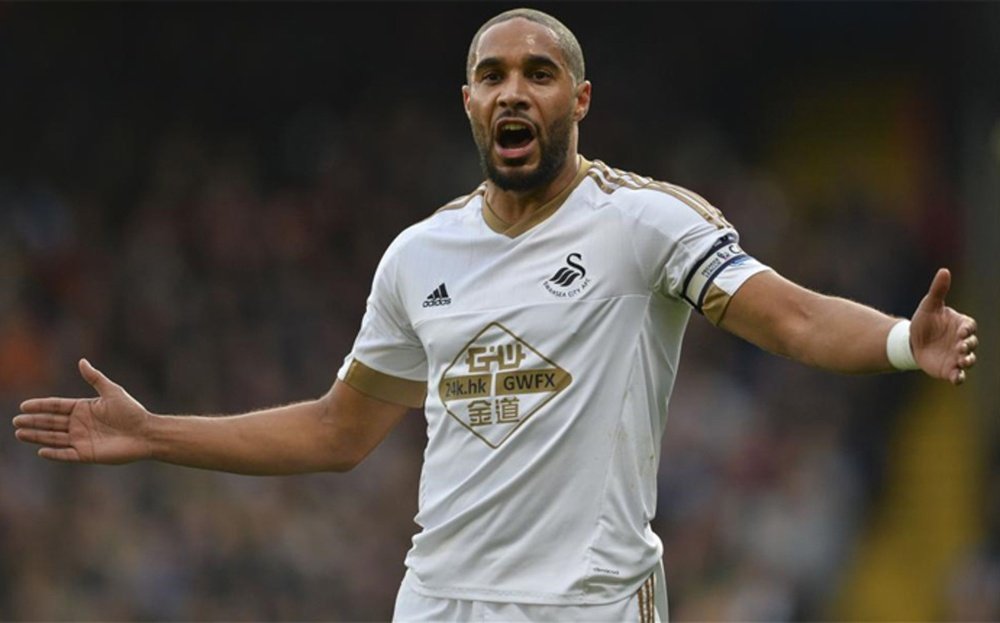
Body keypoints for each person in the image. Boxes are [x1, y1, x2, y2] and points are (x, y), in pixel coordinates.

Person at [12, 8, 979, 622]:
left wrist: (901, 340)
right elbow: (338, 429)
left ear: (580, 99)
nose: (515, 87)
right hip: (439, 601)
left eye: (540, 71)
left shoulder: (644, 223)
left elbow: (795, 321)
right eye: (494, 73)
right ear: (469, 102)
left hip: (591, 605)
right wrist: (153, 435)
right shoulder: (417, 255)